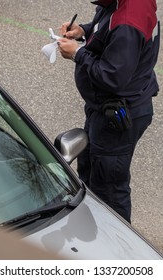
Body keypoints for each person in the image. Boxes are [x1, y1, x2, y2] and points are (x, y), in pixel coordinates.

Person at [57, 0, 160, 223]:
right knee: (90, 169)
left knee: (109, 189)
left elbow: (113, 77)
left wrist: (78, 54)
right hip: (104, 109)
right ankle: (90, 227)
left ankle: (118, 248)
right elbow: (105, 25)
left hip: (117, 117)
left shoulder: (128, 21)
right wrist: (83, 30)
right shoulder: (121, 5)